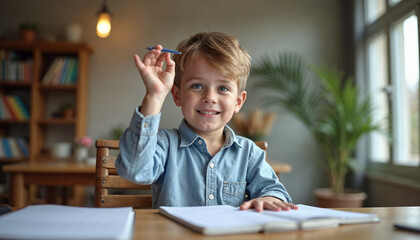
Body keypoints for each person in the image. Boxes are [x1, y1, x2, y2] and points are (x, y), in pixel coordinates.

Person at [116, 32, 296, 212]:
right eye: (197, 86)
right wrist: (154, 96)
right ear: (178, 95)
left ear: (238, 102)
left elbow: (273, 190)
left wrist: (268, 198)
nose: (210, 97)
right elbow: (135, 171)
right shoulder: (164, 144)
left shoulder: (249, 154)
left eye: (223, 88)